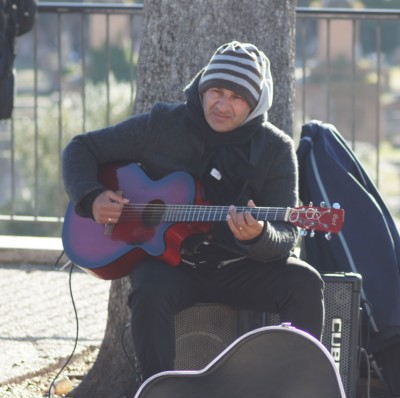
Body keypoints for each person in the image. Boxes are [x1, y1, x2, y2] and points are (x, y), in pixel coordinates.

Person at [62, 41, 324, 380]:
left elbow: (286, 235)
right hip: (174, 266)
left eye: (237, 97)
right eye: (216, 91)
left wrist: (259, 235)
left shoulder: (275, 150)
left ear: (255, 104)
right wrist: (92, 196)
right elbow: (81, 148)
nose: (222, 105)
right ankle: (156, 396)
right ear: (202, 90)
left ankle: (296, 391)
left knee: (304, 283)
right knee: (149, 287)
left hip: (241, 268)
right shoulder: (163, 125)